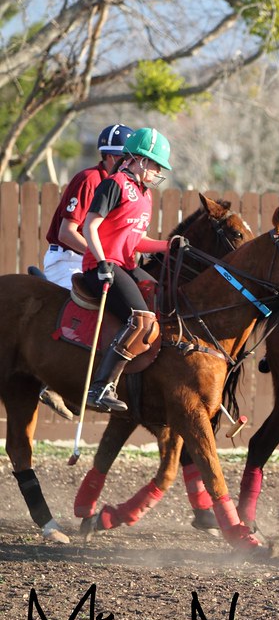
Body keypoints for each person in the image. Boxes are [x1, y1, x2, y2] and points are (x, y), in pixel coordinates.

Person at [81, 127, 173, 412]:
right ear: (138, 159)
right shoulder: (115, 184)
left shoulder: (145, 196)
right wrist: (101, 261)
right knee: (141, 318)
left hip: (126, 263)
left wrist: (167, 246)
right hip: (103, 265)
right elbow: (89, 226)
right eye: (155, 164)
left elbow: (135, 241)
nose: (157, 171)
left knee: (160, 298)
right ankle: (101, 387)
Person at [43, 123, 134, 288]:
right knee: (84, 308)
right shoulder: (90, 179)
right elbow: (66, 233)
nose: (131, 163)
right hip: (68, 260)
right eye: (127, 157)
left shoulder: (124, 186)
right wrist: (101, 258)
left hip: (95, 260)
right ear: (110, 156)